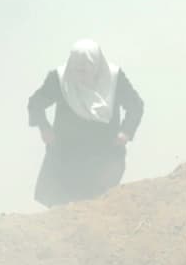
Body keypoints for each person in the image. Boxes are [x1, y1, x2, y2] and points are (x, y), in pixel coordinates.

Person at [28, 39, 144, 207]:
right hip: (65, 154)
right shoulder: (60, 79)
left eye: (85, 70)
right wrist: (44, 128)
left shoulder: (114, 79)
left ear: (96, 66)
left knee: (97, 202)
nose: (80, 75)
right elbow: (35, 103)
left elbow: (136, 106)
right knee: (58, 203)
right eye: (77, 70)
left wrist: (125, 132)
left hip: (104, 152)